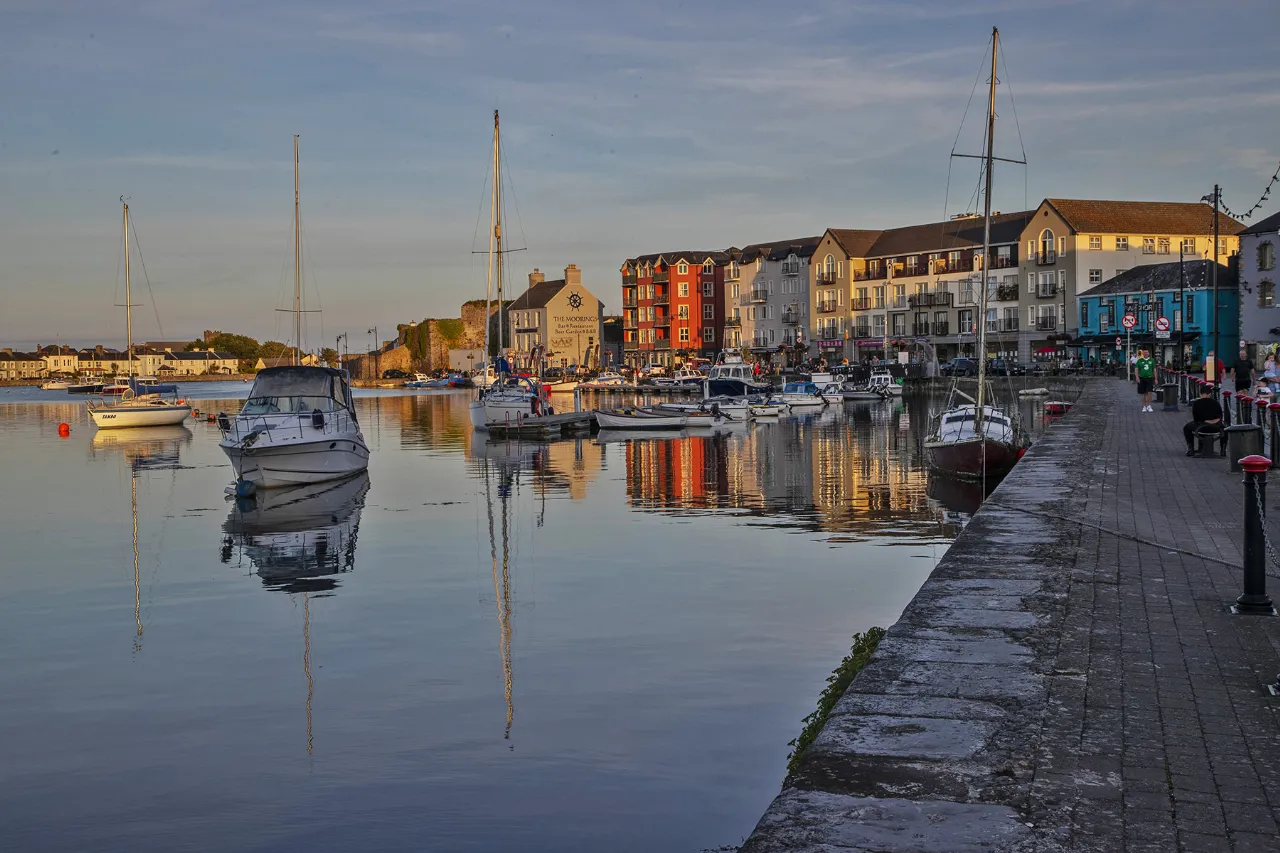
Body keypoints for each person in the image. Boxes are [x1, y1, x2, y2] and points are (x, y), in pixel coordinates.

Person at [1184, 383, 1224, 456]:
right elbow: (1220, 417)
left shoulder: (1196, 404)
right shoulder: (1215, 403)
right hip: (1216, 428)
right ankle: (1223, 450)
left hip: (1200, 428)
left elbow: (1196, 419)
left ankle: (1191, 449)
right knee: (1225, 428)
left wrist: (1204, 421)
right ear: (1210, 394)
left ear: (1201, 394)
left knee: (1187, 428)